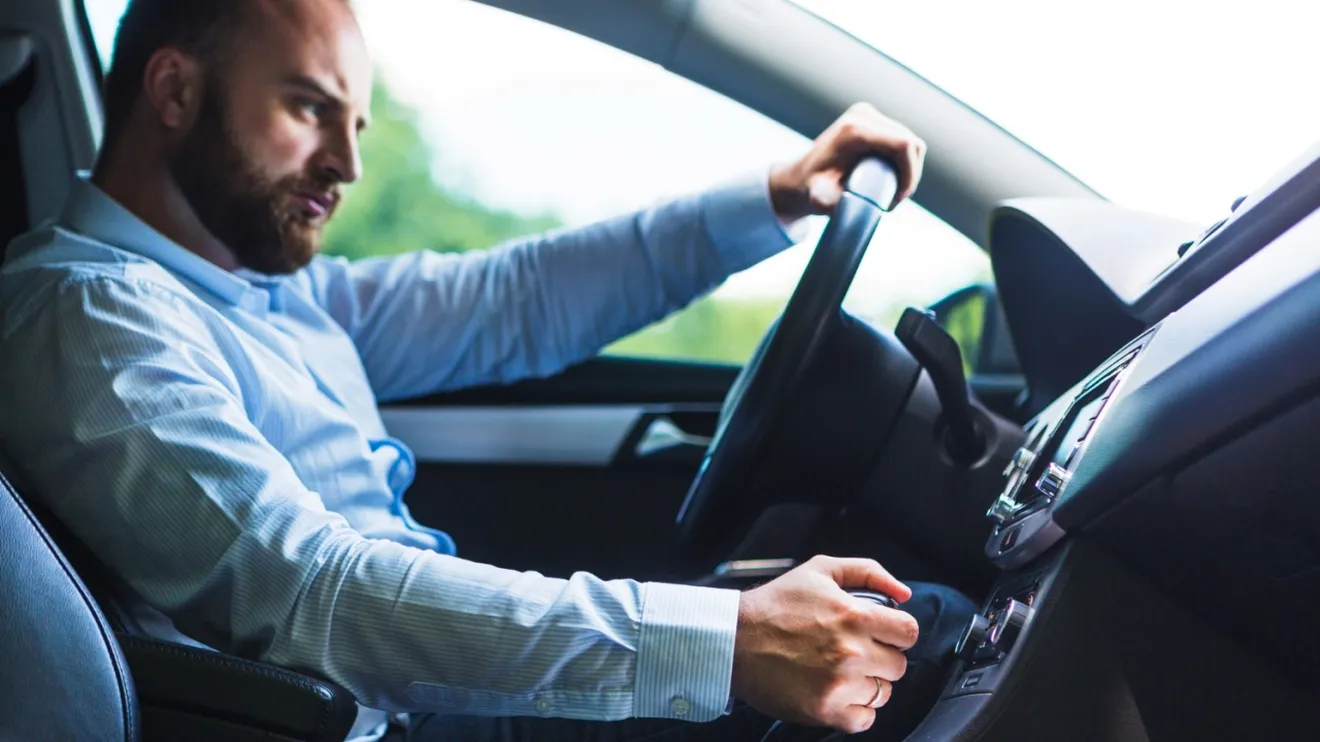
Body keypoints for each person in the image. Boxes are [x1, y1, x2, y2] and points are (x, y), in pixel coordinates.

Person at [0, 0, 976, 740]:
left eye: (356, 127)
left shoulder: (257, 286)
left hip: (441, 695)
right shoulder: (91, 314)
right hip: (400, 718)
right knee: (927, 635)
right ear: (173, 93)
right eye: (308, 109)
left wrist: (773, 198)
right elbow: (313, 595)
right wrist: (722, 641)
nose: (345, 163)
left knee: (901, 622)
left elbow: (515, 301)